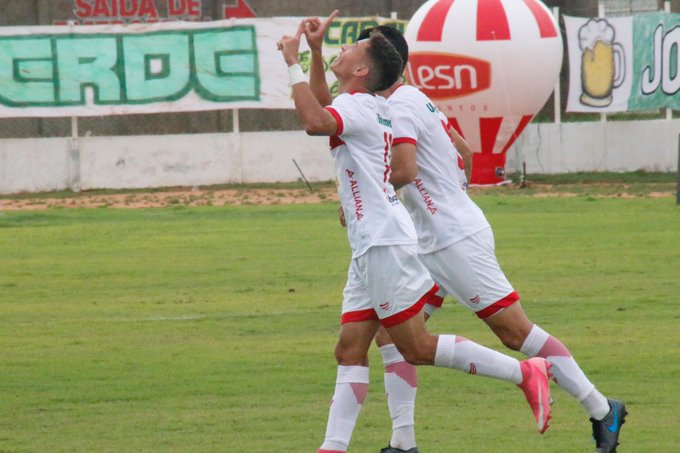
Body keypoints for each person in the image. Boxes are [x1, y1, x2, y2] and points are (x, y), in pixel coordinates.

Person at [278, 12, 553, 453]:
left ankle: (524, 373)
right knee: (349, 349)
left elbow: (315, 120)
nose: (342, 50)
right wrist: (312, 52)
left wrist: (292, 64)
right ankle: (333, 447)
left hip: (384, 241)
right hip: (372, 241)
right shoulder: (367, 104)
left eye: (350, 49)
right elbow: (326, 107)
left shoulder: (360, 106)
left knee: (416, 348)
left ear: (363, 70)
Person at [346, 25, 625, 453]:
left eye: (361, 48)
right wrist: (451, 194)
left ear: (379, 66)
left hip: (452, 241)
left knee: (515, 333)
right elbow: (465, 152)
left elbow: (404, 170)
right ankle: (403, 442)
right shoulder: (415, 97)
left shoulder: (398, 107)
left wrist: (365, 193)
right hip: (430, 239)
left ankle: (602, 408)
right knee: (392, 333)